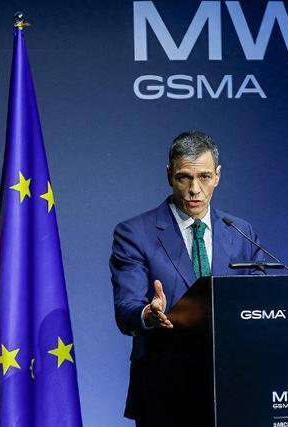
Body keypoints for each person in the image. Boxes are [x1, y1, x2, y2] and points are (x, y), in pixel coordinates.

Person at [110, 131, 264, 426]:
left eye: (204, 177)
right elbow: (126, 308)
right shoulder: (134, 234)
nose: (195, 189)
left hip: (232, 388)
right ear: (169, 175)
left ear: (217, 176)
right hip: (164, 391)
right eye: (184, 177)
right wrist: (148, 314)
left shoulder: (240, 232)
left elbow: (261, 300)